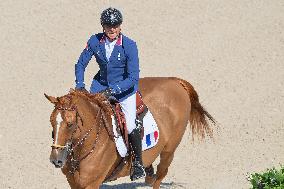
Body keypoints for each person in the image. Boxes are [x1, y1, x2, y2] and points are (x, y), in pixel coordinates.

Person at [74, 7, 145, 181]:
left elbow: (133, 77)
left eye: (115, 25)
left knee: (128, 124)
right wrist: (80, 85)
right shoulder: (94, 41)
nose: (112, 29)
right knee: (86, 116)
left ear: (120, 26)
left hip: (124, 90)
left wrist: (114, 91)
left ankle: (138, 164)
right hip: (100, 86)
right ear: (103, 26)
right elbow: (80, 64)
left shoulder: (129, 45)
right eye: (108, 25)